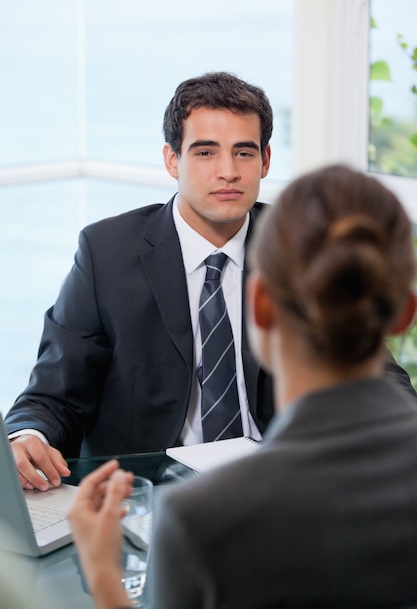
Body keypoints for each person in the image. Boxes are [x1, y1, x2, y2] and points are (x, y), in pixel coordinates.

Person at [5, 72, 415, 493]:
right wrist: (26, 438)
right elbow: (53, 396)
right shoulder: (105, 252)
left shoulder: (299, 240)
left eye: (244, 152)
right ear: (172, 160)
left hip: (282, 489)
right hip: (146, 497)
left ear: (266, 161)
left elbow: (374, 369)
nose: (228, 172)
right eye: (205, 152)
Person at [69, 164, 417, 608]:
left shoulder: (201, 520)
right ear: (405, 313)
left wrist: (103, 579)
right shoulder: (105, 251)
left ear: (260, 304)